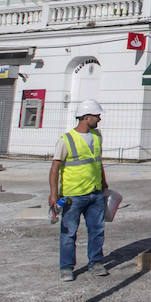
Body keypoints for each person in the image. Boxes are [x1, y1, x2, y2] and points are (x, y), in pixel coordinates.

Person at [49, 99, 110, 280]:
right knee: (68, 233)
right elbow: (55, 168)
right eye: (97, 115)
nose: (99, 119)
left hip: (95, 192)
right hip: (73, 195)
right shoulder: (66, 140)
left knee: (97, 231)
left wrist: (104, 184)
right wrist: (53, 194)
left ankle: (96, 262)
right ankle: (67, 268)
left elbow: (97, 162)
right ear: (86, 117)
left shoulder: (97, 136)